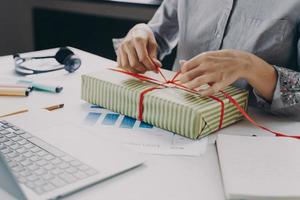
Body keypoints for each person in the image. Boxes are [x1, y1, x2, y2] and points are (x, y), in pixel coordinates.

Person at [114, 0, 300, 119]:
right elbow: (158, 36)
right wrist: (141, 33)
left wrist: (249, 66)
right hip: (171, 115)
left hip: (251, 139)